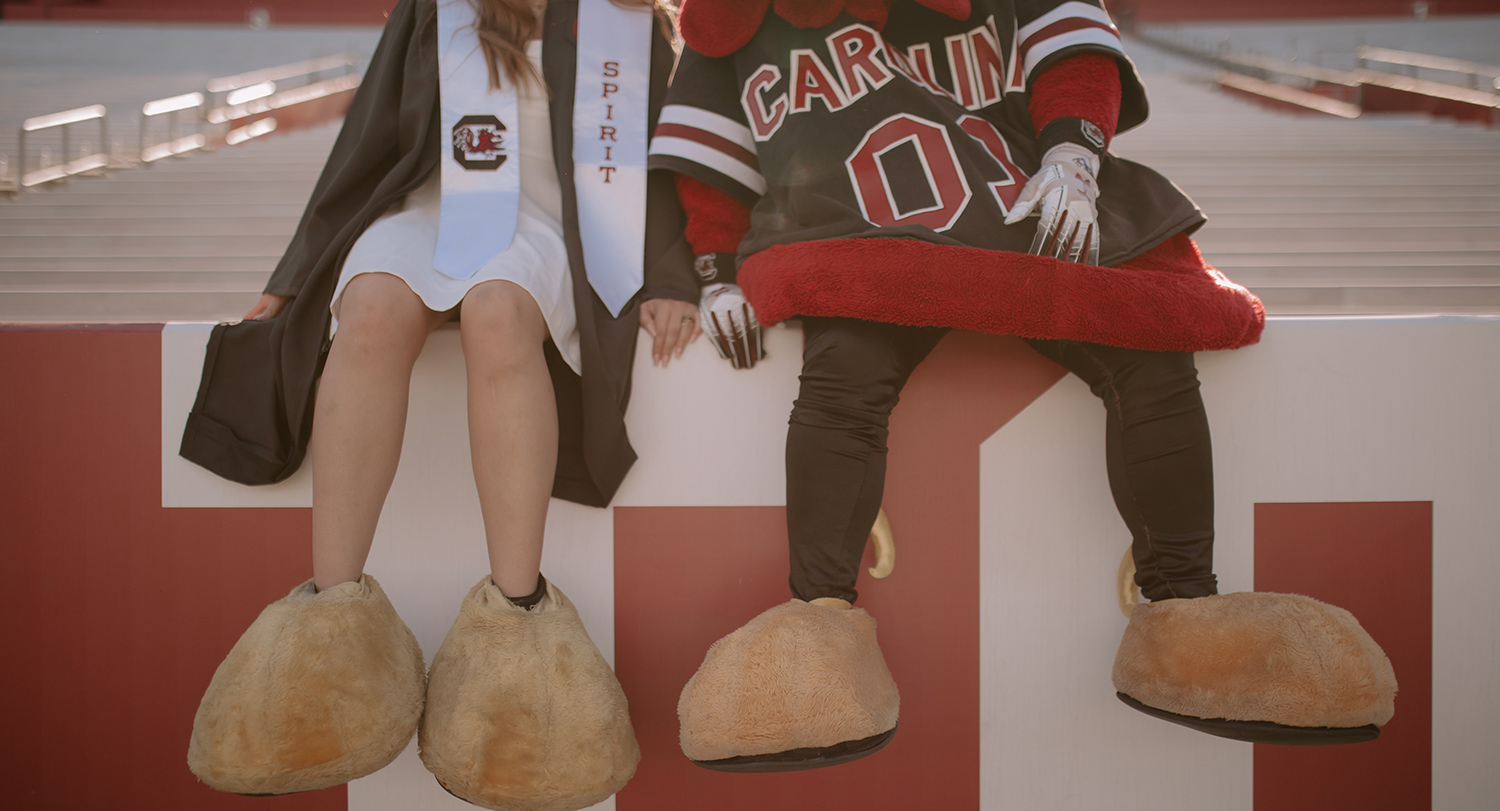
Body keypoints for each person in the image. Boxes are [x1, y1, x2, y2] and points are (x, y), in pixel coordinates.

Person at [650, 0, 1395, 771]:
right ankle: (816, 632)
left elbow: (1072, 56)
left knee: (1149, 349)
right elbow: (708, 168)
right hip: (854, 229)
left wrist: (1073, 152)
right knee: (843, 375)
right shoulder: (731, 19)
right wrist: (714, 267)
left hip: (1011, 204)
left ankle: (1185, 618)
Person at [182, 0, 698, 807]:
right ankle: (331, 615)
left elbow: (663, 155)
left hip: (551, 227)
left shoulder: (625, 22)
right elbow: (369, 135)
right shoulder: (436, 9)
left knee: (497, 314)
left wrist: (670, 275)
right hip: (427, 213)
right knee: (371, 310)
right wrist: (292, 276)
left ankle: (516, 614)